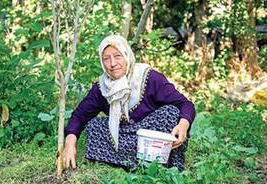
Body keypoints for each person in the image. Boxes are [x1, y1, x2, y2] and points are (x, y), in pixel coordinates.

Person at [61, 35, 195, 172]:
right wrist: (69, 145)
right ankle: (133, 162)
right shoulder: (102, 87)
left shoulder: (149, 77)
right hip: (125, 135)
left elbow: (185, 104)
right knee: (94, 126)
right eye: (106, 59)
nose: (113, 63)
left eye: (117, 56)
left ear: (126, 55)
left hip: (151, 136)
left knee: (170, 113)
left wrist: (183, 125)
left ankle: (160, 163)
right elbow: (79, 115)